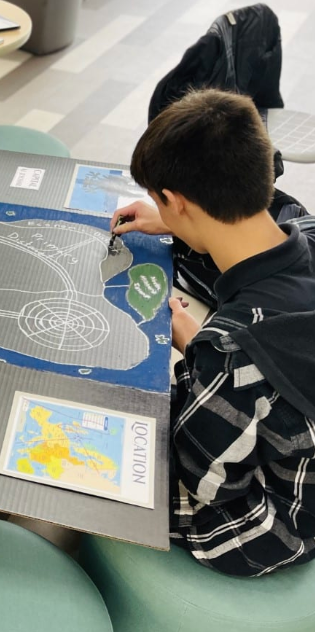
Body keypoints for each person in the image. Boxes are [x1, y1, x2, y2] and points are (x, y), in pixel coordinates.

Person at [110, 88, 315, 576]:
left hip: (273, 524)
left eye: (162, 202)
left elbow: (205, 486)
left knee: (116, 450)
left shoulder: (230, 354)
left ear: (176, 201)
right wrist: (176, 223)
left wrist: (200, 354)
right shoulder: (305, 230)